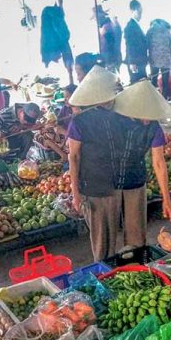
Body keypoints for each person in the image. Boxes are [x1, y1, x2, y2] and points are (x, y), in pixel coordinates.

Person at [66, 66, 124, 262]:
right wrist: (75, 194)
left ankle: (111, 269)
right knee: (100, 241)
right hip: (92, 188)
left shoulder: (117, 115)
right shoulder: (79, 121)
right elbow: (73, 158)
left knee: (113, 235)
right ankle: (103, 273)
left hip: (114, 184)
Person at [112, 79, 171, 249]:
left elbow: (159, 162)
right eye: (145, 114)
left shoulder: (153, 127)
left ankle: (136, 264)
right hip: (107, 181)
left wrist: (166, 199)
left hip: (135, 180)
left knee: (136, 237)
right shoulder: (114, 119)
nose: (148, 119)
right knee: (107, 238)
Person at [147, 19, 171, 99]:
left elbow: (147, 44)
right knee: (165, 82)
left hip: (154, 59)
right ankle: (164, 99)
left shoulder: (151, 30)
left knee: (153, 80)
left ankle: (152, 99)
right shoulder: (167, 31)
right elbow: (170, 46)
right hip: (166, 60)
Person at [124, 0, 148, 83]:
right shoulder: (130, 26)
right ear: (132, 11)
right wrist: (132, 62)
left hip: (139, 60)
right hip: (136, 62)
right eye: (139, 12)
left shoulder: (135, 25)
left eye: (141, 12)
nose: (141, 15)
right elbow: (130, 46)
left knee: (140, 82)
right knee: (137, 84)